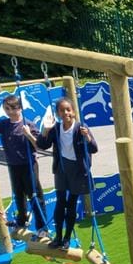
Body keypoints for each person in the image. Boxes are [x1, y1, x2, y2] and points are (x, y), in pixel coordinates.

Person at [36, 99, 98, 250]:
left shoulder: (81, 127)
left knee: (71, 204)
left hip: (77, 170)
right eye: (62, 111)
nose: (66, 113)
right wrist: (45, 129)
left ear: (73, 112)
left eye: (68, 110)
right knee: (60, 202)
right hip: (62, 168)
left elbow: (94, 148)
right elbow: (42, 145)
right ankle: (58, 236)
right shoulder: (56, 128)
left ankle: (66, 238)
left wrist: (87, 137)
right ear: (58, 114)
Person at [0, 95, 49, 236]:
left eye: (13, 108)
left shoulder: (28, 124)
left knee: (35, 195)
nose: (10, 112)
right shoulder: (3, 124)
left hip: (28, 165)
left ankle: (42, 227)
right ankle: (21, 221)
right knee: (18, 194)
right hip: (13, 165)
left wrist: (28, 134)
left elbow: (39, 145)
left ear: (20, 108)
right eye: (7, 108)